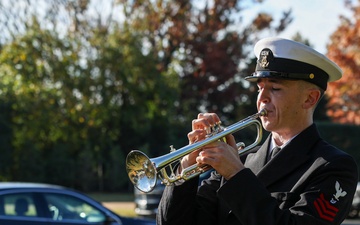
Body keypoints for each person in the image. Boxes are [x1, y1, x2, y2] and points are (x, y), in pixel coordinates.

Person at [156, 37, 358, 225]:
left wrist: (235, 175)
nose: (262, 98)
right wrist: (185, 172)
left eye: (275, 88)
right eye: (260, 88)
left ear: (309, 99)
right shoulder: (242, 158)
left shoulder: (334, 166)